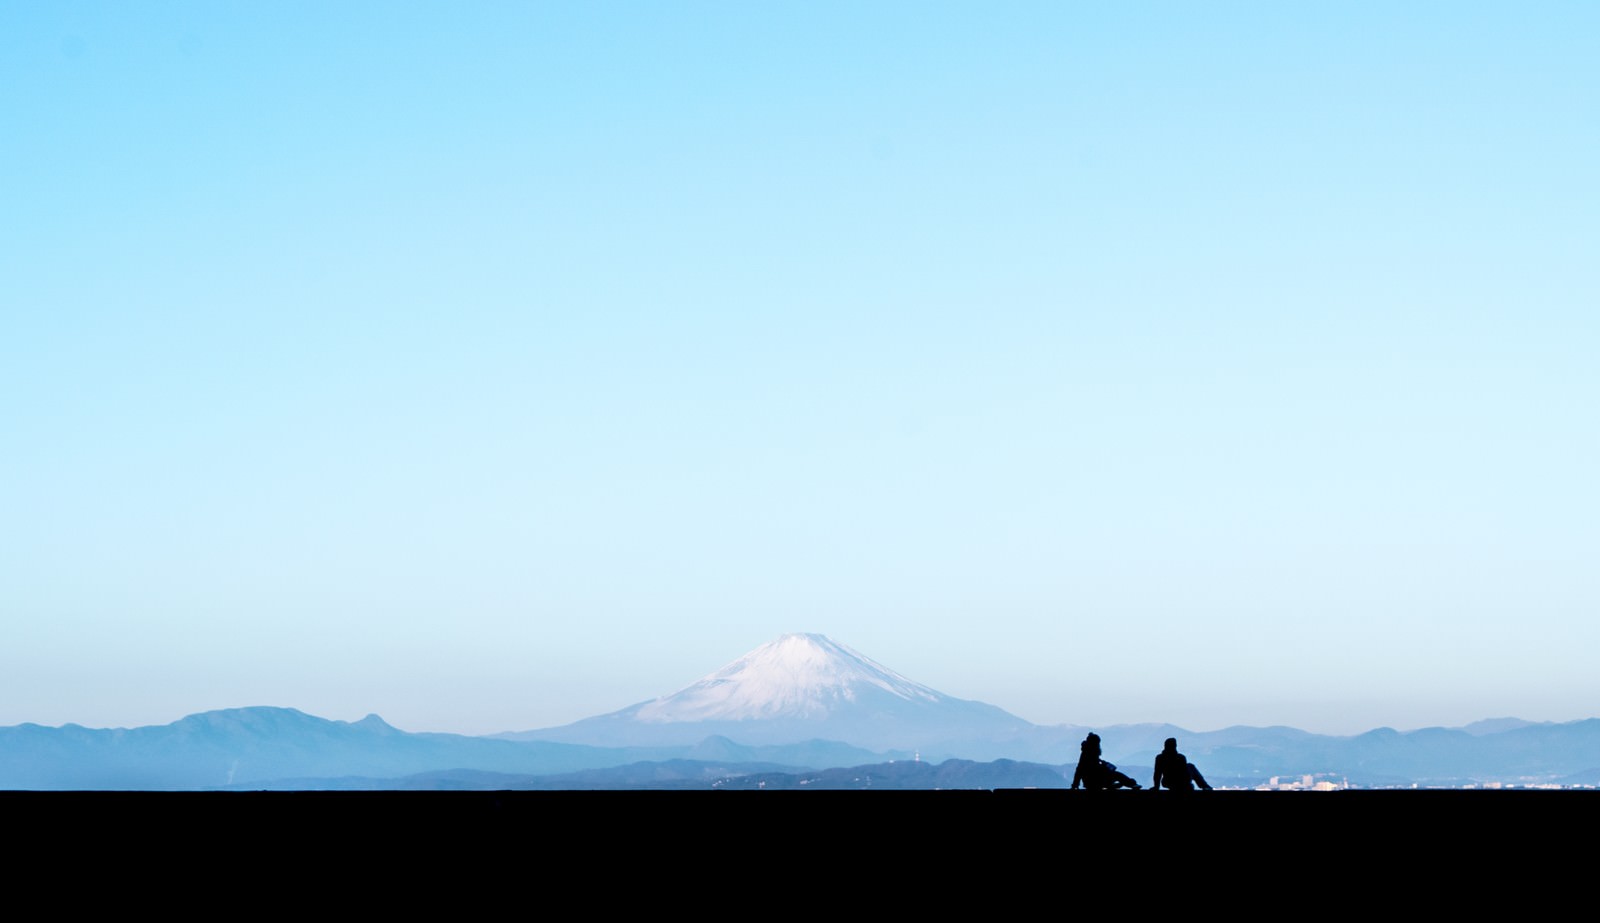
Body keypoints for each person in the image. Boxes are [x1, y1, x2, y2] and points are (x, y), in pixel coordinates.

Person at [1071, 732, 1142, 790]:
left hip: (1091, 782)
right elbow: (1082, 770)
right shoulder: (1088, 754)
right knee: (1117, 775)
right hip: (1094, 782)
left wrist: (1075, 784)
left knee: (1116, 775)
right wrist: (1104, 766)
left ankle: (1112, 785)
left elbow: (1080, 770)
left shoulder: (1087, 753)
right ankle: (1132, 784)